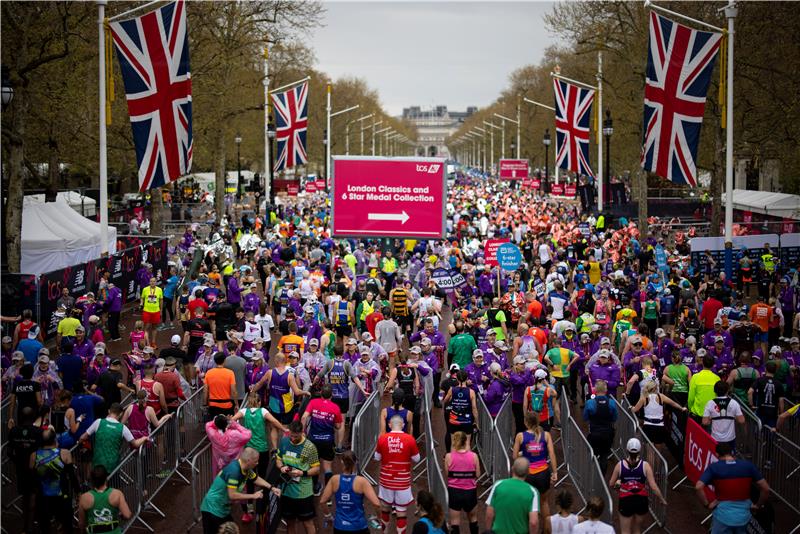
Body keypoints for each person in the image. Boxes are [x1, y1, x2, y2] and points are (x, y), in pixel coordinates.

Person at [199, 447, 280, 534]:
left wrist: (272, 488)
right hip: (212, 509)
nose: (257, 463)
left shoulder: (245, 468)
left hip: (223, 509)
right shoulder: (235, 471)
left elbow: (256, 478)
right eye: (256, 461)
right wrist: (253, 495)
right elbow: (232, 495)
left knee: (233, 531)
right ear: (248, 460)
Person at [695, 442, 770, 534]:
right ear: (731, 452)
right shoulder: (748, 466)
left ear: (717, 454)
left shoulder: (713, 468)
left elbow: (698, 487)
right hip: (743, 518)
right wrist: (758, 505)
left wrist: (707, 505)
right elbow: (766, 488)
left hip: (722, 517)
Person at [609, 438, 667, 534]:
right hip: (641, 501)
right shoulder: (645, 466)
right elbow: (653, 486)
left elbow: (611, 483)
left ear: (627, 449)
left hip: (626, 501)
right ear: (640, 450)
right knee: (637, 530)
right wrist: (661, 499)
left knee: (625, 531)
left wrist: (618, 485)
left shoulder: (620, 465)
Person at [374, 415, 421, 534]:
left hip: (386, 480)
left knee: (385, 509)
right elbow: (417, 459)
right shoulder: (410, 439)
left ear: (389, 425)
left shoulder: (382, 438)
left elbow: (377, 457)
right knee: (401, 512)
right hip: (403, 482)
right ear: (403, 425)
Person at [512, 411, 558, 528]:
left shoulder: (520, 436)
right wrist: (555, 472)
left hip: (527, 475)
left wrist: (524, 452)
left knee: (527, 504)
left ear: (526, 422)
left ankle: (527, 529)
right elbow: (552, 454)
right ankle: (547, 530)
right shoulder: (546, 435)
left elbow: (514, 456)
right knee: (544, 502)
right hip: (543, 473)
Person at [320, 450, 381, 534]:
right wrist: (378, 517)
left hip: (340, 526)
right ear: (356, 462)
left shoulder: (334, 479)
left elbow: (322, 501)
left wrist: (328, 516)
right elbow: (377, 504)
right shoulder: (361, 481)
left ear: (342, 462)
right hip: (359, 526)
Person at [276, 420, 320, 534]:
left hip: (303, 493)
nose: (293, 438)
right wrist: (281, 467)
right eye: (291, 435)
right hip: (286, 491)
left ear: (302, 432)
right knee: (290, 522)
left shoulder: (309, 447)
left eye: (296, 436)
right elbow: (278, 458)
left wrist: (302, 473)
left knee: (307, 523)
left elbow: (316, 469)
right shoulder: (284, 441)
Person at [31, 428, 78, 533]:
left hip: (43, 498)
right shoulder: (64, 453)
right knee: (67, 527)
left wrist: (33, 497)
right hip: (61, 498)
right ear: (55, 439)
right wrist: (78, 492)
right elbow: (72, 476)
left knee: (45, 528)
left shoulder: (34, 455)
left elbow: (32, 478)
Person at [302, 384, 345, 497]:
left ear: (321, 393)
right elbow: (338, 426)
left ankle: (315, 489)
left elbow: (304, 417)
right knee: (327, 467)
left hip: (313, 440)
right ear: (332, 395)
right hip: (327, 441)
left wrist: (303, 431)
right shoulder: (335, 407)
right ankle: (328, 495)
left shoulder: (313, 402)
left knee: (314, 466)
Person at [79, 402, 148, 472]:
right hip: (113, 467)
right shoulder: (122, 428)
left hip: (97, 464)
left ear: (109, 411)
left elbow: (83, 437)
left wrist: (79, 442)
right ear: (121, 414)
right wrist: (144, 438)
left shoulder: (98, 422)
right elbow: (135, 444)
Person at [485, 457, 540, 534]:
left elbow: (489, 514)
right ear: (528, 472)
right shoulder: (533, 491)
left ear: (512, 469)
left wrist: (488, 531)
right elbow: (533, 522)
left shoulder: (498, 485)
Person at [78, 466, 132, 534]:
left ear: (92, 479)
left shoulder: (84, 497)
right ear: (106, 478)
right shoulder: (117, 494)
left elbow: (81, 524)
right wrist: (121, 516)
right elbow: (127, 515)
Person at [444, 431, 480, 534]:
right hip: (470, 491)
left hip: (454, 492)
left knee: (455, 522)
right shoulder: (474, 456)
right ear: (466, 441)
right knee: (473, 519)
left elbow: (447, 474)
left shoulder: (448, 457)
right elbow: (477, 474)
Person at [583, 380, 618, 474]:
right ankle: (602, 477)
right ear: (606, 389)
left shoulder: (590, 403)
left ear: (595, 390)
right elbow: (615, 418)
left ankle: (593, 474)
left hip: (594, 433)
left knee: (593, 455)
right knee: (604, 456)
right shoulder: (611, 403)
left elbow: (585, 417)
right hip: (607, 434)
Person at [442, 370, 479, 451]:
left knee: (453, 443)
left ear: (457, 379)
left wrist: (452, 399)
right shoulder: (471, 392)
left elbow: (445, 401)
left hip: (454, 420)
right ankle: (468, 463)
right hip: (467, 421)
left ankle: (452, 462)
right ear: (467, 379)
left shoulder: (452, 390)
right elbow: (474, 409)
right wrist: (477, 422)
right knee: (467, 443)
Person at [702, 381, 745, 451]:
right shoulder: (734, 403)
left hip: (715, 438)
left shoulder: (710, 403)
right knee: (729, 459)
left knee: (716, 459)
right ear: (727, 390)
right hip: (730, 438)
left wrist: (711, 419)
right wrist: (732, 416)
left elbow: (704, 422)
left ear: (714, 391)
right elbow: (742, 420)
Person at [204, 352, 239, 418]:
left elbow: (205, 390)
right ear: (224, 360)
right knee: (227, 426)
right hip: (226, 405)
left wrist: (205, 404)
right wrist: (236, 404)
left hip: (213, 405)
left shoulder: (209, 373)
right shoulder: (230, 373)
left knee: (214, 426)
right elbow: (234, 391)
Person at [688, 354, 721, 420]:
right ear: (713, 364)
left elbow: (691, 398)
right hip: (711, 415)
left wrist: (690, 409)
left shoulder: (695, 377)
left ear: (702, 362)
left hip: (697, 414)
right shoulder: (717, 378)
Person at [140, 277, 164, 344]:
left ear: (156, 282)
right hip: (147, 311)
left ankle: (153, 342)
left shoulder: (159, 290)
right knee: (146, 327)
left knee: (154, 327)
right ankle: (145, 342)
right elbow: (142, 297)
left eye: (154, 281)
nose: (152, 282)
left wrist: (161, 310)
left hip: (156, 311)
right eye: (151, 281)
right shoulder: (145, 289)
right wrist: (141, 302)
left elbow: (161, 300)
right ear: (149, 282)